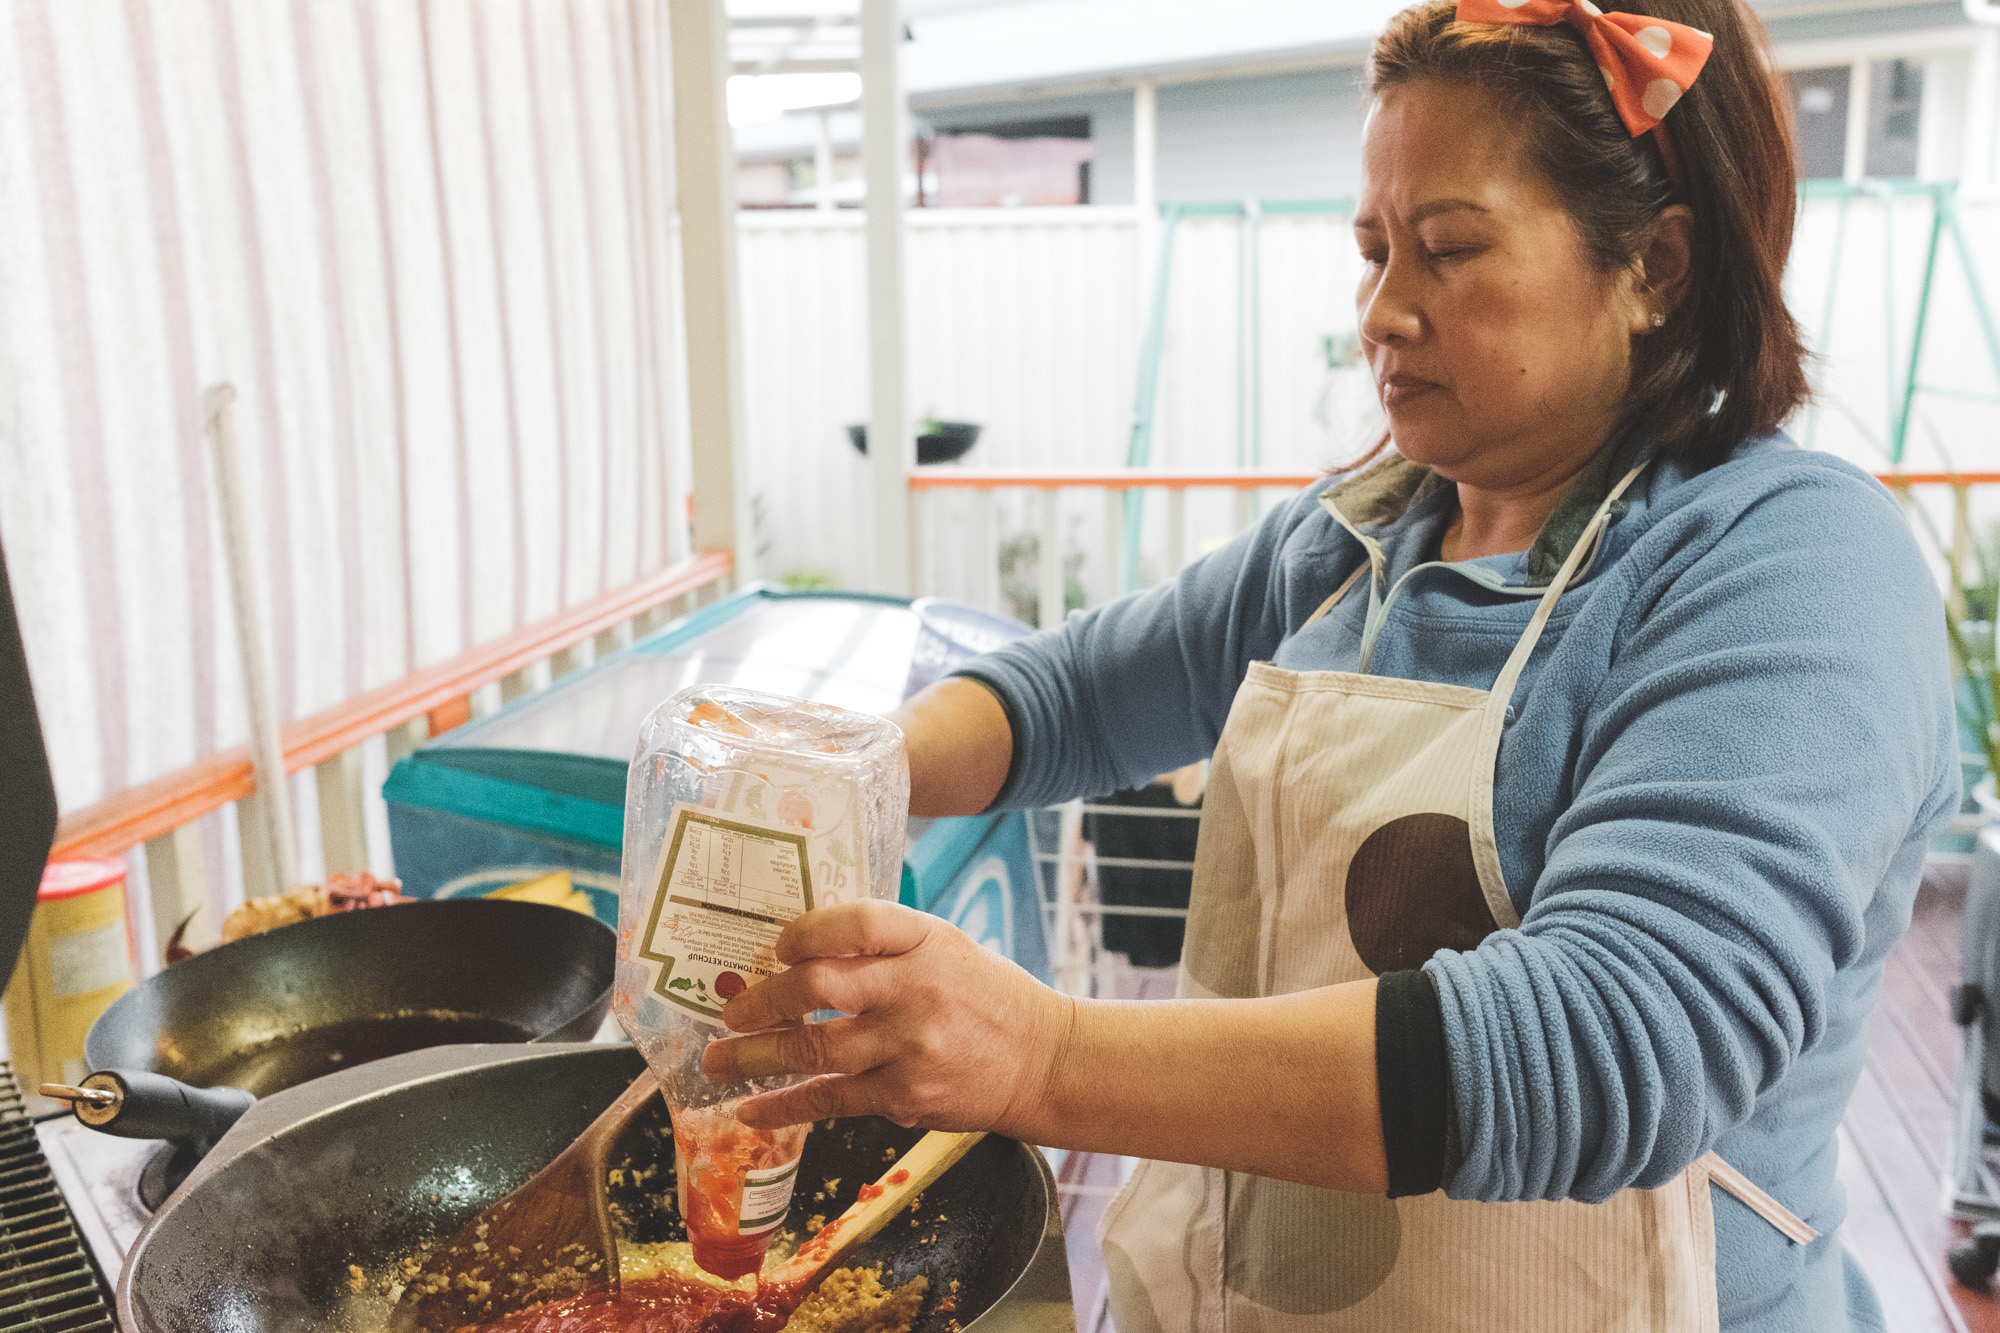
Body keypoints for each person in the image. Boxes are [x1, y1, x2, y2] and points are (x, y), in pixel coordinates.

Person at [702, 0, 1960, 1326]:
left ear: (1655, 261)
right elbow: (1071, 695)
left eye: (1450, 250)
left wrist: (1044, 1051)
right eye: (1372, 252)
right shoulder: (1363, 530)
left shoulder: (1794, 563)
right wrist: (835, 776)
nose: (1383, 313)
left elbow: (1610, 1038)